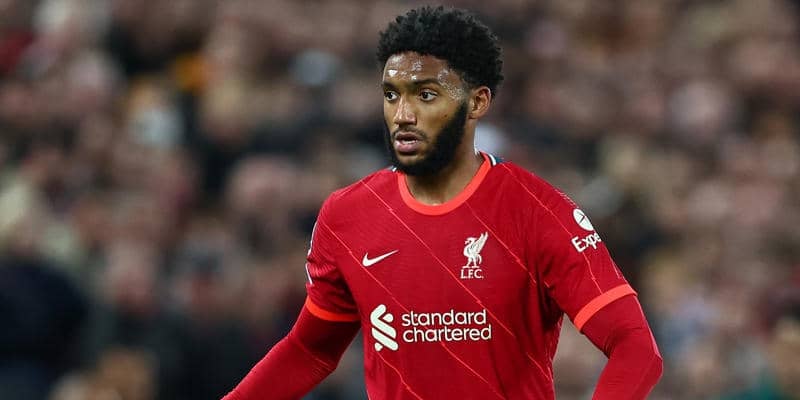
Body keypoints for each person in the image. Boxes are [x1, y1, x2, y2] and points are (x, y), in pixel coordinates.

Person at [223, 6, 662, 399]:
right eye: (392, 94)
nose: (403, 115)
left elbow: (635, 347)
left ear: (477, 102)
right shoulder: (347, 215)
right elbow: (310, 351)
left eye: (426, 95)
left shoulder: (538, 211)